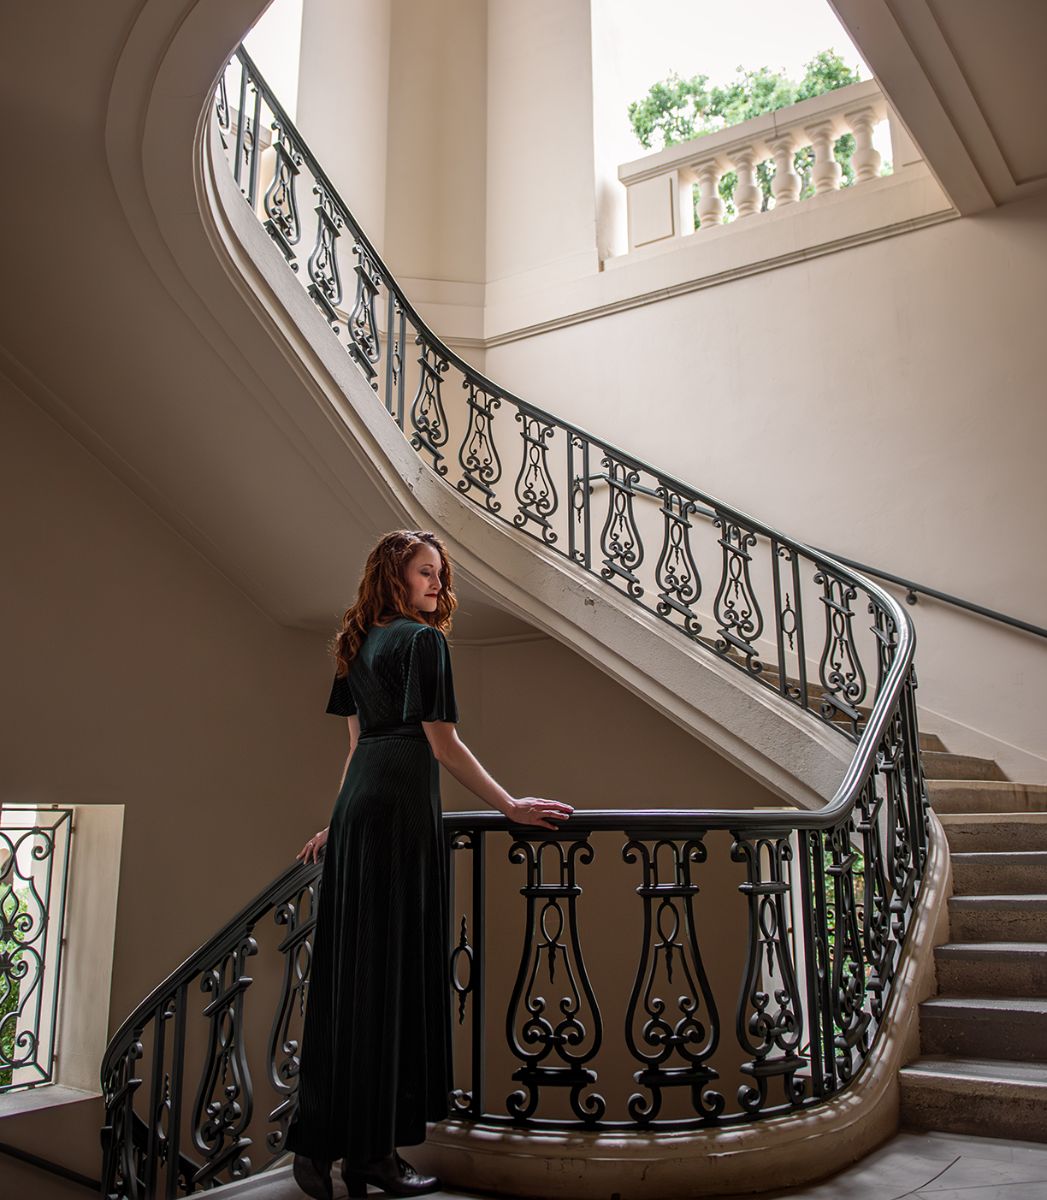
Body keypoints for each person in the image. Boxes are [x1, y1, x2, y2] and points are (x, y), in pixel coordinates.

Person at [286, 529, 574, 1199]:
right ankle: (372, 1158)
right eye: (425, 573)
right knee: (392, 979)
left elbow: (357, 748)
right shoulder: (423, 642)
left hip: (365, 809)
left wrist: (338, 819)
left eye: (439, 573)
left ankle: (325, 1141)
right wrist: (509, 805)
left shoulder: (353, 646)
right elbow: (441, 745)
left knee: (353, 977)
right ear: (393, 578)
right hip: (398, 813)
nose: (437, 584)